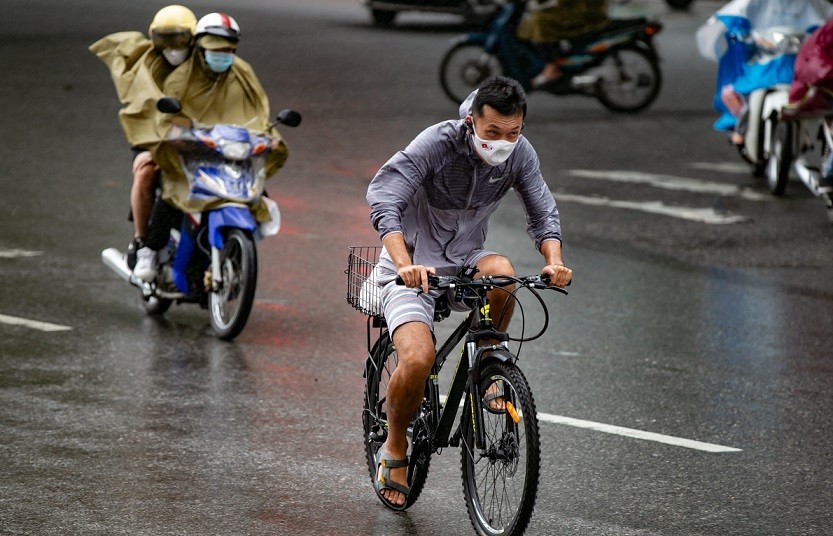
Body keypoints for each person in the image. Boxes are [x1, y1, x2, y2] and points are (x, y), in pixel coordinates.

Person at [365, 75, 573, 508]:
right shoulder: (438, 143)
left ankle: (490, 366)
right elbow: (385, 195)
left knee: (503, 273)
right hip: (410, 270)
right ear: (470, 121)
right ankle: (397, 445)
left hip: (463, 266)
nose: (502, 142)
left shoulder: (520, 155)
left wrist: (553, 259)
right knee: (419, 359)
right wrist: (404, 265)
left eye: (512, 133)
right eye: (492, 132)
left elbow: (541, 207)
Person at [90, 5, 198, 280]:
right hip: (153, 140)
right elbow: (140, 112)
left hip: (198, 141)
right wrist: (157, 147)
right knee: (146, 170)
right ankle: (142, 243)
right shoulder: (145, 69)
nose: (173, 48)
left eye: (179, 39)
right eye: (165, 40)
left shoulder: (205, 67)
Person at [695, 0, 831, 146]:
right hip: (762, 60)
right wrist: (742, 33)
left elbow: (824, 21)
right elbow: (734, 15)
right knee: (743, 90)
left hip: (795, 61)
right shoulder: (753, 3)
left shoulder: (809, 3)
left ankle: (803, 133)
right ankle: (741, 127)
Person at [515, 0, 610, 88]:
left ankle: (551, 67)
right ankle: (556, 58)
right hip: (577, 8)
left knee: (539, 21)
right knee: (531, 22)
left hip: (583, 11)